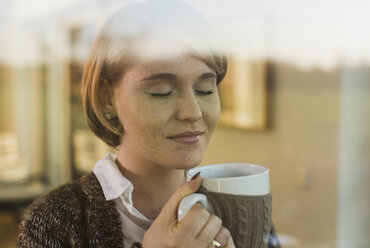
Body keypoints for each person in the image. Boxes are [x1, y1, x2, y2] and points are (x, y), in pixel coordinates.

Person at [18, 0, 280, 247]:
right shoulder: (54, 221)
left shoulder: (241, 206)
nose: (193, 112)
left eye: (205, 89)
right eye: (161, 92)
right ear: (107, 98)